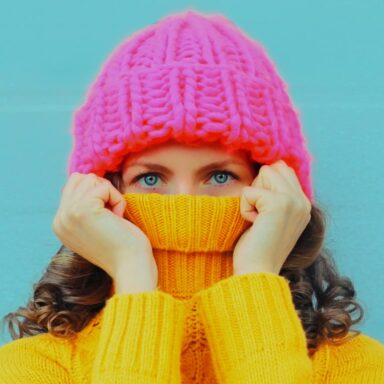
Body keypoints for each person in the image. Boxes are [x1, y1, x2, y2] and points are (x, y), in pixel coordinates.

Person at [1, 8, 383, 384]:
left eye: (220, 176)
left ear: (276, 189)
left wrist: (255, 281)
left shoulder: (356, 366)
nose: (184, 203)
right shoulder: (31, 368)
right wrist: (134, 279)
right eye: (150, 178)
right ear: (101, 193)